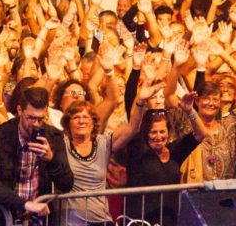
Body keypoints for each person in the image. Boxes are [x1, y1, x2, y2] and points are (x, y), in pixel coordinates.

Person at [60, 81, 163, 226]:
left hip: (102, 219)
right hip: (71, 221)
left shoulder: (103, 143)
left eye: (86, 117)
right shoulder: (60, 144)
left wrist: (140, 101)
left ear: (93, 122)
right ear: (68, 123)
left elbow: (132, 128)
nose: (81, 121)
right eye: (76, 117)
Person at [0, 86, 74, 226]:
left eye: (40, 119)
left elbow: (66, 185)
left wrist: (52, 160)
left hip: (38, 220)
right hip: (4, 217)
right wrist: (24, 204)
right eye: (31, 118)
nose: (36, 124)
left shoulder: (54, 137)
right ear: (20, 110)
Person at [125, 91, 207, 226]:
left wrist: (190, 110)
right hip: (141, 221)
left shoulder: (175, 151)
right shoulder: (137, 151)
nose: (158, 136)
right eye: (153, 132)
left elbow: (201, 134)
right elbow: (132, 127)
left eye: (162, 131)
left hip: (170, 220)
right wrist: (140, 101)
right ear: (145, 134)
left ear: (168, 132)